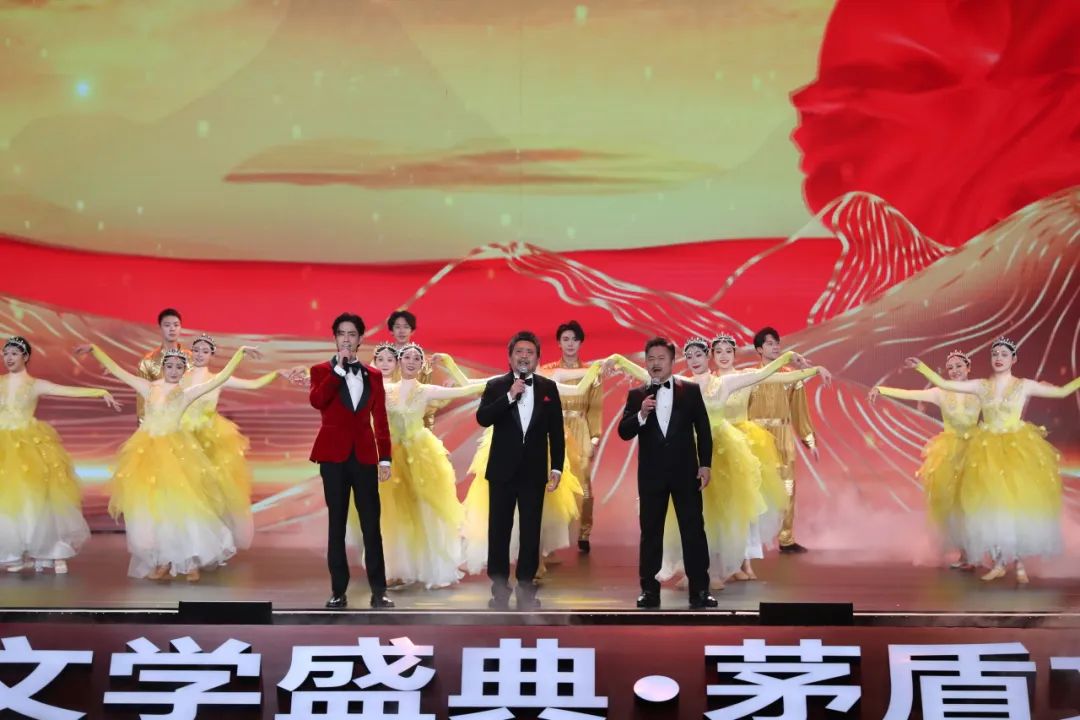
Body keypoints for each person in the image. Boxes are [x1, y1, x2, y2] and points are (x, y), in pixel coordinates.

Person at [75, 342, 257, 581]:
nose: (173, 370)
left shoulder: (187, 392)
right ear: (163, 367)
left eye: (179, 367)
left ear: (184, 370)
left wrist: (239, 354)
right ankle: (163, 560)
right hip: (146, 454)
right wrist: (95, 350)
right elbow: (119, 372)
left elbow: (220, 378)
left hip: (176, 452)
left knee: (184, 507)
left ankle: (190, 561)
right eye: (169, 366)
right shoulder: (148, 387)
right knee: (154, 509)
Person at [906, 338, 1079, 584]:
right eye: (995, 354)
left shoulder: (1023, 385)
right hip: (985, 451)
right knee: (989, 508)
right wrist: (921, 368)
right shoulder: (981, 386)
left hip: (1017, 449)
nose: (998, 358)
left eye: (1004, 354)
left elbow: (1062, 392)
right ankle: (999, 563)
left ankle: (1018, 563)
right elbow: (944, 384)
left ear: (1013, 359)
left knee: (1015, 506)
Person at [1, 337, 121, 574]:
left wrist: (99, 391)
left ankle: (43, 549)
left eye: (14, 353)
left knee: (35, 499)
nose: (9, 358)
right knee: (6, 499)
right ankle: (13, 552)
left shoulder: (35, 384)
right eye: (5, 353)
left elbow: (66, 391)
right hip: (4, 446)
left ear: (25, 356)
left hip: (28, 445)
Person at [617, 337, 717, 610]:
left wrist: (705, 464)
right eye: (651, 358)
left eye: (661, 358)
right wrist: (640, 414)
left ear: (673, 361)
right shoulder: (637, 395)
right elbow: (624, 431)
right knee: (650, 533)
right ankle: (649, 591)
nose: (656, 363)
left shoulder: (690, 391)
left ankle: (700, 591)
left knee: (693, 531)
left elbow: (703, 429)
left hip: (686, 473)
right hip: (651, 475)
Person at [375, 342, 483, 589]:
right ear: (399, 361)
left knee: (426, 510)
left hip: (421, 455)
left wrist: (450, 364)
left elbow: (470, 389)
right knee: (394, 513)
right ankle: (397, 569)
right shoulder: (384, 388)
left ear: (422, 365)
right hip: (392, 455)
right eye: (407, 357)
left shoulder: (426, 390)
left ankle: (433, 567)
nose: (411, 361)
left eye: (417, 358)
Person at [308, 313, 394, 609]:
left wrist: (385, 458)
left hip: (365, 457)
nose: (346, 339)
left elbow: (380, 418)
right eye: (342, 334)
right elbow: (317, 401)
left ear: (360, 339)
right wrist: (339, 372)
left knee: (371, 525)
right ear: (335, 338)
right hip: (333, 457)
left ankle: (379, 591)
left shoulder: (374, 375)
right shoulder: (321, 370)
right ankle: (338, 591)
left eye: (352, 334)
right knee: (337, 524)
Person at [475, 330, 565, 610]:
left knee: (530, 533)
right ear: (510, 356)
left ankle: (527, 588)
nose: (524, 357)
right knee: (498, 532)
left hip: (533, 472)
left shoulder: (548, 388)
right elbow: (483, 418)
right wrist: (509, 396)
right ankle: (499, 588)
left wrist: (557, 467)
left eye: (530, 352)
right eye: (519, 352)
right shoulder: (496, 386)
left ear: (537, 358)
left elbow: (556, 432)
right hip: (502, 471)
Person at [870, 350, 980, 568]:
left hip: (976, 450)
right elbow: (909, 394)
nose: (955, 370)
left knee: (978, 503)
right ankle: (965, 554)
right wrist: (880, 389)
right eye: (950, 368)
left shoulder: (979, 389)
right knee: (955, 504)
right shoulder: (940, 393)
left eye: (959, 366)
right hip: (950, 453)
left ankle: (990, 552)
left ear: (968, 367)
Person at [182, 333, 292, 551]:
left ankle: (212, 543)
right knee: (185, 490)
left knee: (211, 492)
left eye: (205, 351)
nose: (200, 355)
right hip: (182, 437)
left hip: (209, 440)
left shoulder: (219, 377)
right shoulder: (180, 377)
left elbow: (253, 385)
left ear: (212, 355)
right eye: (196, 350)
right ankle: (186, 543)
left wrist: (275, 374)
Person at [746, 327, 819, 553]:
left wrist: (809, 440)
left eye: (777, 343)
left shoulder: (791, 377)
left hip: (783, 436)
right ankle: (749, 541)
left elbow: (800, 411)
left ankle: (786, 538)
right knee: (751, 488)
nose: (775, 347)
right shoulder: (748, 377)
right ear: (759, 349)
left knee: (787, 486)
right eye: (769, 344)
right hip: (755, 437)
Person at [540, 320, 604, 554]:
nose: (570, 344)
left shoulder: (592, 373)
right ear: (558, 343)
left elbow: (595, 407)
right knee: (551, 481)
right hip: (553, 428)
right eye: (565, 339)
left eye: (574, 339)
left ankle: (584, 532)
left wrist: (594, 438)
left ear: (581, 343)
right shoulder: (548, 370)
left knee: (584, 484)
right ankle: (550, 538)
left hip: (580, 429)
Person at [136, 308, 193, 419]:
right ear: (160, 328)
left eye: (176, 325)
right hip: (159, 421)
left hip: (188, 421)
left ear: (180, 327)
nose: (172, 329)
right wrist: (143, 425)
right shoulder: (147, 362)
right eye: (167, 325)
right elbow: (142, 399)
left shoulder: (192, 359)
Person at [386, 310, 438, 429]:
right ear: (391, 331)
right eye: (397, 327)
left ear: (412, 331)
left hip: (413, 421)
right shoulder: (381, 358)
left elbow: (427, 393)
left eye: (406, 327)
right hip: (387, 419)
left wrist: (428, 427)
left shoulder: (422, 361)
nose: (402, 331)